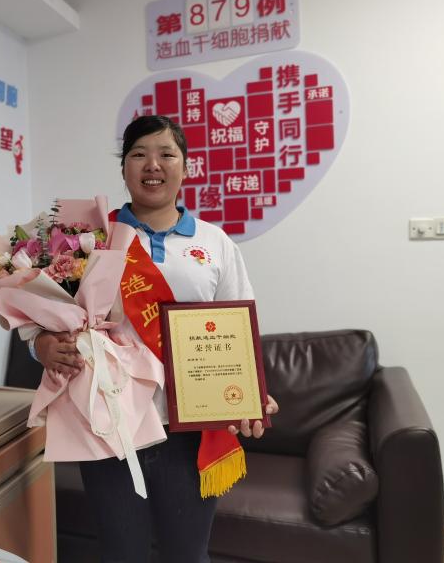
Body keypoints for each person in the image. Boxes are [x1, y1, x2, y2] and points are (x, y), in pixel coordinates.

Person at [30, 115, 278, 562]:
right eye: (139, 154)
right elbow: (41, 315)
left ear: (186, 167)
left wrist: (251, 392)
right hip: (109, 422)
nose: (153, 165)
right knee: (120, 553)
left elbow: (238, 328)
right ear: (124, 168)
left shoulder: (215, 242)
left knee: (188, 554)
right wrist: (43, 346)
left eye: (167, 154)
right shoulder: (89, 238)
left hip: (190, 428)